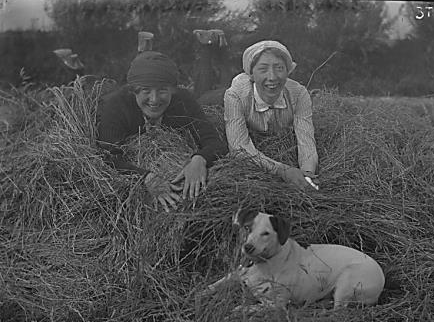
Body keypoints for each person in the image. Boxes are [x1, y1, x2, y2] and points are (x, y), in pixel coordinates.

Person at [96, 51, 228, 212]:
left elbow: (214, 142)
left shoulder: (183, 101)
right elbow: (108, 156)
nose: (154, 99)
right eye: (146, 90)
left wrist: (200, 159)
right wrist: (146, 177)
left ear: (173, 90)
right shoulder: (117, 106)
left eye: (162, 90)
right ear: (133, 90)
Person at [224, 40, 318, 189]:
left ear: (288, 71)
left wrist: (306, 174)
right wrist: (282, 170)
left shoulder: (299, 94)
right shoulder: (235, 95)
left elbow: (306, 139)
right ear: (251, 74)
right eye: (263, 69)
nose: (273, 77)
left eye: (279, 68)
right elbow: (238, 147)